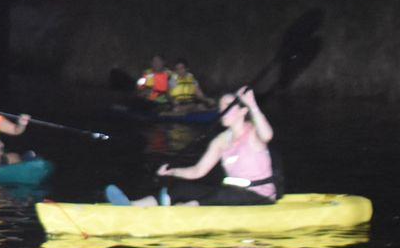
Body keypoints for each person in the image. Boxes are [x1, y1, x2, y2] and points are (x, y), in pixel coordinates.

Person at [105, 86, 276, 207]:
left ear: (242, 111)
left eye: (227, 106)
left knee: (220, 194)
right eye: (220, 106)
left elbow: (267, 135)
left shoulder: (253, 132)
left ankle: (184, 212)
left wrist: (252, 105)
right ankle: (132, 205)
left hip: (260, 196)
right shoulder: (221, 141)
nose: (221, 109)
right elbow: (198, 171)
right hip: (233, 193)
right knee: (182, 189)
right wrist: (173, 171)